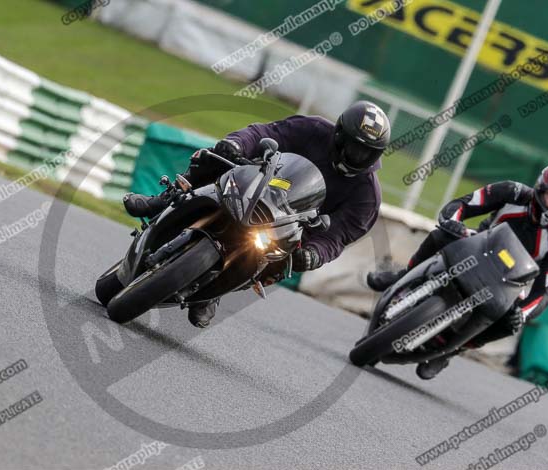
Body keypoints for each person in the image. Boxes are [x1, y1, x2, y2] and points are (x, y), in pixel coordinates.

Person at [123, 101, 391, 327]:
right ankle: (163, 200)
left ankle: (215, 290)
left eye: (367, 153)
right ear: (339, 135)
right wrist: (237, 144)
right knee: (216, 158)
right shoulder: (314, 129)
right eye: (355, 147)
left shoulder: (367, 196)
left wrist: (315, 254)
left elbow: (338, 236)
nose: (358, 156)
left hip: (291, 226)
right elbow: (265, 132)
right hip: (257, 184)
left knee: (283, 263)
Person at [367, 162, 548, 379]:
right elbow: (465, 203)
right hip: (478, 246)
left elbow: (547, 290)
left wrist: (522, 313)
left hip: (509, 282)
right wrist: (453, 222)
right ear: (541, 188)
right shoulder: (513, 191)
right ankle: (404, 275)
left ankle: (453, 350)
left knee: (510, 324)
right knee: (441, 235)